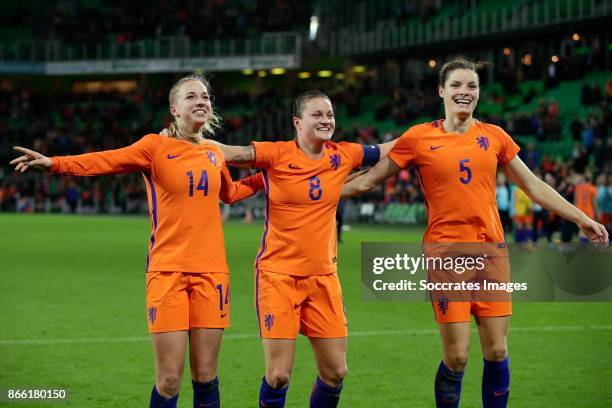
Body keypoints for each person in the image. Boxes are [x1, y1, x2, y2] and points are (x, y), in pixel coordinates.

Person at [340, 59, 608, 408]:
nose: (464, 93)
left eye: (472, 87)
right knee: (458, 357)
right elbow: (367, 180)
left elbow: (532, 184)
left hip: (491, 252)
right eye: (456, 86)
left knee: (497, 350)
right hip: (445, 254)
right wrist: (313, 190)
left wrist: (579, 218)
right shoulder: (419, 137)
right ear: (441, 91)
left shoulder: (495, 136)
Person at [10, 74, 261, 408]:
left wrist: (265, 178)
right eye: (191, 96)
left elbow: (230, 194)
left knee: (205, 377)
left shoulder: (215, 153)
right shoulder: (153, 147)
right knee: (169, 381)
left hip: (212, 274)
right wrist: (54, 163)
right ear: (174, 108)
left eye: (205, 96)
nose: (201, 100)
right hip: (167, 273)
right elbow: (107, 160)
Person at [217, 90, 395, 407]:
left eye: (329, 114)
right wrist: (193, 141)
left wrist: (430, 135)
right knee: (279, 375)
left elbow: (385, 151)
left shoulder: (343, 155)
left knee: (336, 372)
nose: (326, 120)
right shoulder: (276, 154)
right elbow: (233, 153)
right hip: (278, 278)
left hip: (323, 279)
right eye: (317, 114)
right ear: (298, 123)